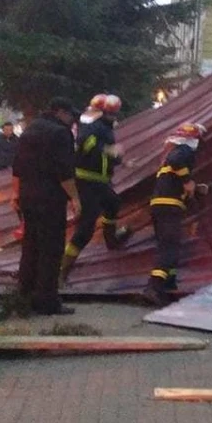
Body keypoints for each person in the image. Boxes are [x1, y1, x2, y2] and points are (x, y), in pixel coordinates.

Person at [10, 97, 80, 315]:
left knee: (31, 246)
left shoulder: (30, 130)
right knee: (51, 250)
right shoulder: (60, 134)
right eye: (70, 116)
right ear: (60, 112)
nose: (72, 121)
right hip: (50, 200)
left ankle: (25, 294)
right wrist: (75, 198)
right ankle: (47, 301)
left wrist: (16, 194)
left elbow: (17, 167)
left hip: (27, 197)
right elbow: (64, 172)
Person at [60, 94, 133, 282]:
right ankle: (61, 272)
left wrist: (121, 161)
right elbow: (85, 143)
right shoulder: (90, 125)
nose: (113, 117)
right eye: (110, 114)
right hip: (86, 182)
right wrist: (106, 149)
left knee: (113, 203)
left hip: (100, 181)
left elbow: (107, 153)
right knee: (85, 229)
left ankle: (112, 240)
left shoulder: (103, 126)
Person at [144, 122, 209, 305]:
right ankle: (153, 287)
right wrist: (188, 181)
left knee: (168, 245)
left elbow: (175, 180)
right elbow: (177, 163)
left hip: (160, 205)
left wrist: (194, 189)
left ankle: (167, 285)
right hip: (170, 205)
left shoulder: (168, 155)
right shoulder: (184, 150)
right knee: (169, 247)